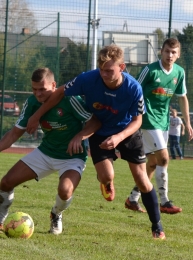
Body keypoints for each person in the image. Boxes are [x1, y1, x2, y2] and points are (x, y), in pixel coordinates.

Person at [26, 45, 166, 239]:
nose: (104, 74)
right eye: (101, 70)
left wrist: (118, 137)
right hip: (100, 131)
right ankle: (106, 182)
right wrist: (36, 116)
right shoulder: (87, 79)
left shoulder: (134, 88)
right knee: (107, 176)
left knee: (142, 180)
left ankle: (157, 226)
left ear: (122, 67)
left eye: (109, 70)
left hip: (127, 133)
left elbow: (138, 121)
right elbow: (58, 93)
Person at [0, 68, 100, 235]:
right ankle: (1, 219)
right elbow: (14, 134)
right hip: (45, 153)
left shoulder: (70, 99)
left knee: (65, 190)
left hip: (72, 157)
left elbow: (95, 121)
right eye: (34, 89)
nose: (38, 94)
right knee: (5, 183)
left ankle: (56, 213)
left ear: (54, 85)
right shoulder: (32, 103)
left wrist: (80, 136)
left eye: (42, 89)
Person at [125, 38, 193, 215]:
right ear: (161, 52)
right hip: (147, 119)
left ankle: (133, 199)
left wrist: (188, 122)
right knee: (164, 158)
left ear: (178, 55)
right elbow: (133, 89)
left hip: (163, 121)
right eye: (167, 51)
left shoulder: (179, 72)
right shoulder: (150, 70)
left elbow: (182, 97)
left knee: (154, 163)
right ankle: (164, 201)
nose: (170, 55)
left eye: (173, 52)